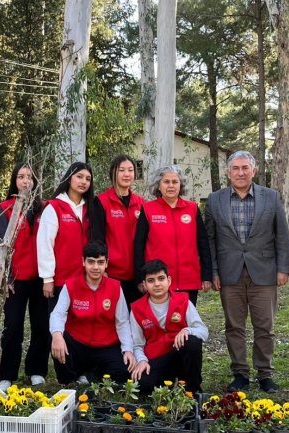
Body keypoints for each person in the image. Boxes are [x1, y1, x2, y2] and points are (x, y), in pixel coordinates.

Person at [204, 151, 289, 394]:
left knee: (265, 326)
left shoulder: (271, 197)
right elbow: (210, 240)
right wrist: (213, 272)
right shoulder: (215, 200)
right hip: (229, 273)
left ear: (254, 171)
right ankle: (240, 373)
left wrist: (283, 268)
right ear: (228, 172)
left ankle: (265, 374)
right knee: (234, 326)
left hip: (264, 272)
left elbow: (282, 235)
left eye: (245, 168)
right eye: (235, 168)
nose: (240, 173)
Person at [49, 240, 137, 386]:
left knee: (124, 373)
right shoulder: (71, 285)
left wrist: (128, 350)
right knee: (57, 337)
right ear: (83, 262)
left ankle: (92, 373)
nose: (96, 267)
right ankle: (69, 381)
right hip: (78, 343)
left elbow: (122, 322)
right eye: (91, 262)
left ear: (106, 263)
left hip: (106, 345)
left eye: (100, 262)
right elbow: (57, 314)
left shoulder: (115, 287)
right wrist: (57, 335)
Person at [0, 163, 50, 391]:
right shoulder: (5, 208)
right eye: (21, 177)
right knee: (13, 327)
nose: (25, 181)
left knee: (42, 326)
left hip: (41, 277)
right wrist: (6, 278)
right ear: (14, 181)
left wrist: (49, 276)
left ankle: (36, 370)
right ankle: (7, 374)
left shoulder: (45, 208)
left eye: (30, 177)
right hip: (15, 279)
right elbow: (0, 246)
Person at [133, 165, 212, 305]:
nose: (171, 185)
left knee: (185, 318)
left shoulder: (192, 208)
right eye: (166, 182)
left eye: (175, 182)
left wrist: (207, 276)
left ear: (181, 185)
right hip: (157, 281)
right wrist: (140, 279)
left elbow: (203, 245)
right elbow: (138, 247)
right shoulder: (148, 209)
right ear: (158, 185)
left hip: (189, 280)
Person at [130, 259, 208, 394]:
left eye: (161, 279)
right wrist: (141, 360)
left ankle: (193, 389)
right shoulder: (137, 309)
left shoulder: (183, 300)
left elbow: (203, 331)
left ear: (169, 280)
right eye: (151, 280)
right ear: (145, 284)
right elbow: (137, 344)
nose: (157, 284)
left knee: (192, 342)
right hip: (157, 357)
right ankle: (168, 383)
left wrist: (187, 330)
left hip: (180, 353)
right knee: (142, 384)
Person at [37, 161, 93, 308]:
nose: (84, 182)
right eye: (79, 177)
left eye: (88, 179)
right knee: (59, 320)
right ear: (69, 179)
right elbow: (45, 244)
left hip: (87, 279)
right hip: (61, 280)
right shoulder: (54, 207)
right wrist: (47, 278)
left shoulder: (91, 208)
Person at [90, 155, 144, 305]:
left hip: (137, 276)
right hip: (112, 274)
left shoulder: (141, 203)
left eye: (130, 170)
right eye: (122, 170)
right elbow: (97, 239)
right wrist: (102, 270)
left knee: (136, 316)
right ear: (113, 172)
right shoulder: (101, 201)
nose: (127, 174)